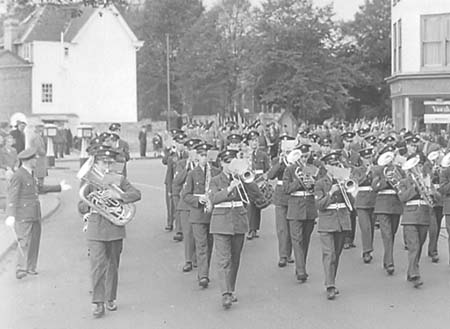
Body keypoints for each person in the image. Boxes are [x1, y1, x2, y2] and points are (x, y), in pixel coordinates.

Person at [78, 147, 141, 318]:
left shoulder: (119, 179)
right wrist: (92, 201)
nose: (106, 166)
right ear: (95, 162)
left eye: (109, 162)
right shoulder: (89, 181)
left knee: (113, 263)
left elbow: (136, 194)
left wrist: (118, 196)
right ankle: (98, 303)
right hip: (96, 226)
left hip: (115, 227)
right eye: (102, 162)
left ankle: (110, 297)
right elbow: (80, 206)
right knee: (97, 265)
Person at [4, 148, 71, 280]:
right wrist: (10, 215)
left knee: (34, 241)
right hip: (23, 213)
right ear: (27, 161)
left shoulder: (31, 173)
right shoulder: (19, 175)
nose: (36, 160)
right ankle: (21, 269)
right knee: (23, 241)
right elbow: (12, 196)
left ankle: (31, 267)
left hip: (34, 212)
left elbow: (40, 188)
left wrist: (59, 187)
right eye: (34, 159)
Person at [210, 149, 248, 309]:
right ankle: (225, 293)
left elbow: (252, 196)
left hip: (238, 221)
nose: (230, 165)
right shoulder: (215, 180)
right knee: (224, 260)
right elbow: (213, 198)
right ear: (221, 164)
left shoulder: (242, 178)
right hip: (221, 222)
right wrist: (230, 188)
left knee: (235, 258)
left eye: (232, 162)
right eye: (227, 162)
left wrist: (246, 181)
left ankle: (231, 289)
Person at [182, 143, 220, 287]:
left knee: (210, 244)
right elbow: (185, 195)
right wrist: (198, 199)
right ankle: (203, 276)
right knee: (201, 244)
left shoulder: (216, 172)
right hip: (198, 214)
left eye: (207, 155)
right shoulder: (192, 173)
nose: (205, 158)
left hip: (213, 212)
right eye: (202, 155)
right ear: (197, 156)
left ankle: (205, 270)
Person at [314, 151, 351, 300]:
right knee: (329, 254)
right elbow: (319, 205)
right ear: (327, 167)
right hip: (327, 222)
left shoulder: (344, 181)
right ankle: (330, 285)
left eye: (337, 164)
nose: (336, 167)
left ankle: (331, 281)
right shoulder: (320, 183)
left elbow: (352, 205)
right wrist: (331, 193)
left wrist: (348, 190)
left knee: (336, 254)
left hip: (341, 221)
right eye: (333, 165)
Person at [397, 156, 434, 288]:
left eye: (418, 166)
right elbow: (402, 197)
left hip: (424, 216)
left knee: (419, 247)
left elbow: (436, 196)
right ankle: (415, 275)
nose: (416, 169)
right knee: (414, 246)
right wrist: (414, 188)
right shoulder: (403, 182)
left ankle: (411, 270)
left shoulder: (426, 180)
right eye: (414, 167)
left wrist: (431, 190)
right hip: (410, 217)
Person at [282, 144, 318, 282]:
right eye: (301, 157)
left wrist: (313, 183)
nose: (303, 159)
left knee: (306, 240)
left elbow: (319, 187)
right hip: (295, 207)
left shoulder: (313, 169)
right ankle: (301, 270)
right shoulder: (290, 170)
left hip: (309, 206)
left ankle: (300, 266)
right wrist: (299, 181)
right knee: (297, 240)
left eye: (305, 156)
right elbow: (286, 189)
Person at [372, 145, 404, 275]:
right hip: (383, 205)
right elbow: (374, 186)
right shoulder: (378, 170)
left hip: (395, 205)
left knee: (392, 233)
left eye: (391, 157)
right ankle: (390, 263)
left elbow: (403, 184)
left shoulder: (399, 170)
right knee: (387, 234)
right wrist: (386, 180)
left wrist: (398, 181)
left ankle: (386, 259)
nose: (390, 160)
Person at [173, 138, 202, 272]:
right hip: (185, 204)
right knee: (188, 232)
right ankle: (188, 260)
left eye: (196, 151)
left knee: (200, 233)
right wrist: (186, 168)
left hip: (198, 203)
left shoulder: (202, 166)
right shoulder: (181, 164)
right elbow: (177, 181)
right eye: (191, 151)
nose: (193, 154)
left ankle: (197, 258)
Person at [267, 135, 294, 267]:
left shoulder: (297, 161)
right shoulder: (277, 160)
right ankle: (283, 255)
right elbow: (270, 175)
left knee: (292, 227)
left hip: (294, 195)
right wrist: (281, 162)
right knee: (282, 228)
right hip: (281, 195)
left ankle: (289, 253)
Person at [246, 130, 270, 240]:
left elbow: (267, 169)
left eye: (255, 140)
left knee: (257, 206)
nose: (254, 143)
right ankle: (250, 229)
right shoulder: (246, 155)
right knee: (250, 205)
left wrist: (264, 181)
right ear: (248, 143)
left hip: (259, 182)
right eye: (251, 141)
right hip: (248, 183)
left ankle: (255, 228)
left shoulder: (263, 155)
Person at [354, 148, 377, 263]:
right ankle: (366, 251)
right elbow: (356, 182)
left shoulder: (376, 169)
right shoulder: (357, 170)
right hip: (362, 201)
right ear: (361, 159)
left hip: (373, 200)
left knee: (371, 227)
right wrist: (367, 172)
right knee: (365, 227)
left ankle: (369, 248)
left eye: (370, 157)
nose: (368, 159)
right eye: (366, 158)